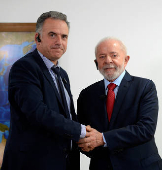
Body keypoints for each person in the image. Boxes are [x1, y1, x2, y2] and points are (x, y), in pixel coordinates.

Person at [1, 11, 87, 170]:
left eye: (64, 37)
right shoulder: (25, 67)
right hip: (32, 163)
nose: (59, 42)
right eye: (52, 35)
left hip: (63, 162)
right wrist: (82, 131)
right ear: (37, 38)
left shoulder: (62, 74)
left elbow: (66, 115)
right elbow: (38, 112)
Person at [77, 37, 162, 170]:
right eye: (102, 56)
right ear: (96, 62)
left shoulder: (145, 87)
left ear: (126, 60)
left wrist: (103, 139)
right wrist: (88, 145)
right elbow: (83, 134)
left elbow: (146, 129)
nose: (108, 61)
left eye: (114, 55)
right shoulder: (86, 94)